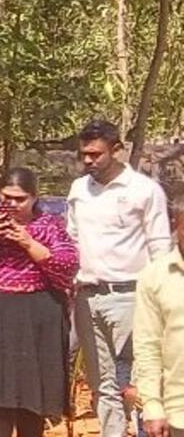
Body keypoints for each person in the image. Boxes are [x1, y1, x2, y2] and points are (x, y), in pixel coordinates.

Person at [68, 118, 171, 437]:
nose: (88, 160)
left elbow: (159, 244)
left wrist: (164, 297)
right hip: (87, 297)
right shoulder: (78, 189)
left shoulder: (144, 190)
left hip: (133, 296)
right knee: (103, 384)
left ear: (117, 150)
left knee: (140, 382)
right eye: (84, 154)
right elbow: (71, 238)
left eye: (96, 154)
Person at [0, 166, 75, 437]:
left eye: (20, 199)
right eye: (7, 197)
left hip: (37, 314)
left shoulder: (49, 226)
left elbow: (67, 265)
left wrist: (28, 243)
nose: (12, 204)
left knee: (32, 394)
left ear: (35, 197)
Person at [129, 199, 184, 437]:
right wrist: (152, 405)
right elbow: (147, 345)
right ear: (176, 225)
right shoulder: (154, 277)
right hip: (179, 412)